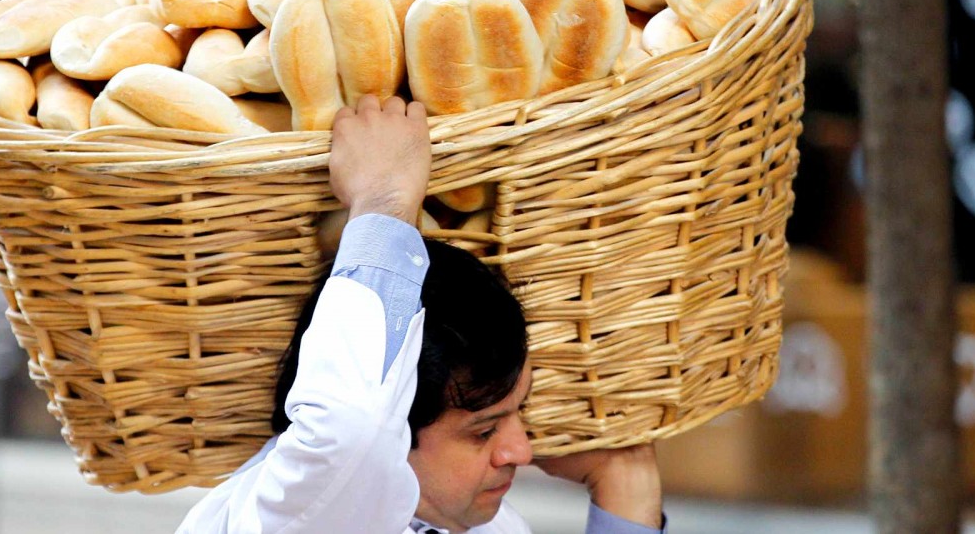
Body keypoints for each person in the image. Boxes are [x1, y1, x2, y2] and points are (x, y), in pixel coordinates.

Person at [177, 95, 665, 533]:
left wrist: (625, 482)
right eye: (484, 431)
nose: (522, 451)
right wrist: (383, 200)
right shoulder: (298, 514)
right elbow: (350, 433)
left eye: (519, 411)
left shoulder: (488, 526)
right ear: (391, 431)